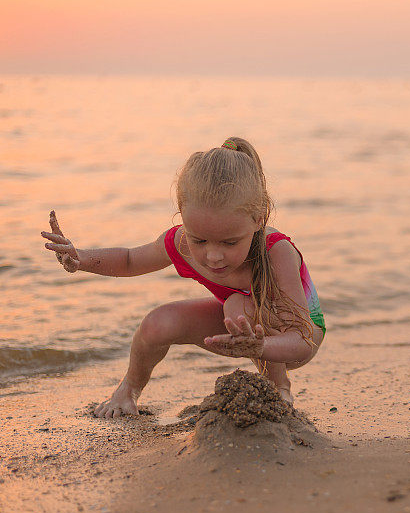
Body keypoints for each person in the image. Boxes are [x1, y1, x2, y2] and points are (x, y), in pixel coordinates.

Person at [40, 137, 326, 418]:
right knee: (156, 324)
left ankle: (280, 389)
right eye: (200, 240)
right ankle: (127, 391)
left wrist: (260, 347)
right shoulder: (181, 244)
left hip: (296, 339)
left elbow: (302, 341)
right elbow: (129, 260)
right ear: (182, 216)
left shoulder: (277, 253)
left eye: (229, 243)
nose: (213, 256)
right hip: (241, 329)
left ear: (259, 218)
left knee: (237, 306)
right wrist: (81, 259)